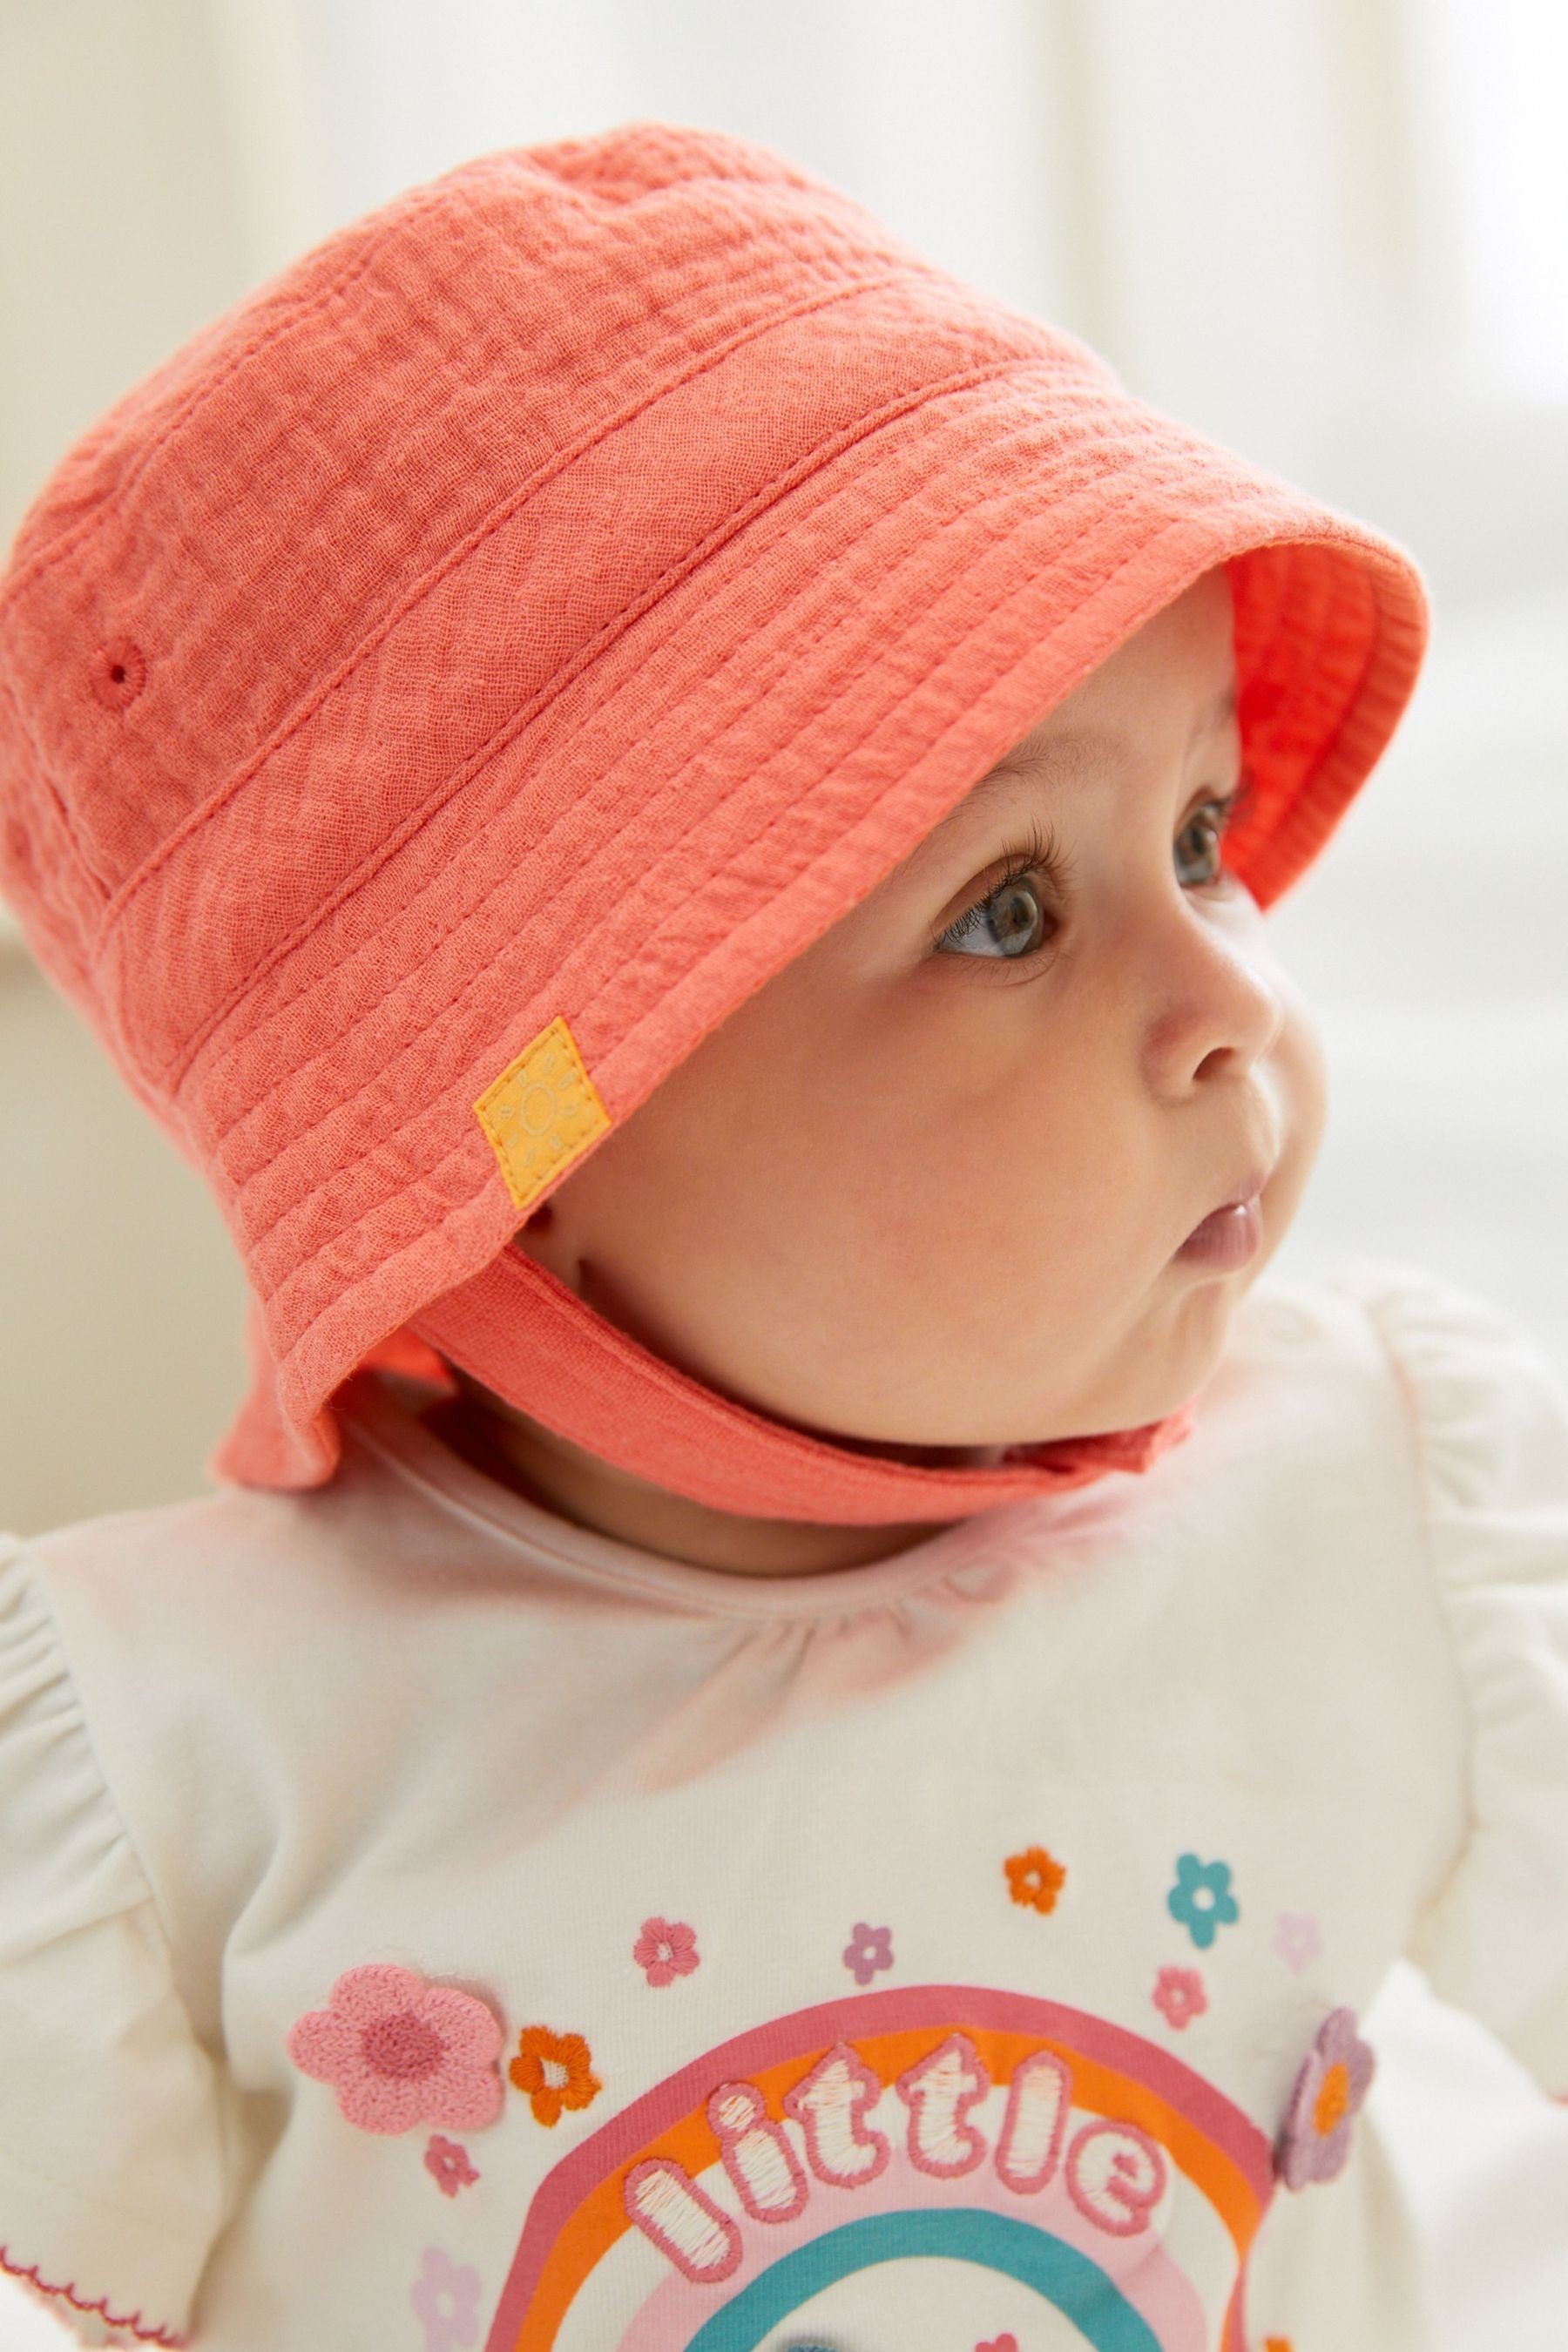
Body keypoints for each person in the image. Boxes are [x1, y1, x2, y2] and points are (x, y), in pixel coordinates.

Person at [0, 121, 1564, 2352]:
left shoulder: (1384, 1516)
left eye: (1200, 832)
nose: (1238, 1005)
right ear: (532, 1156)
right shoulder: (187, 1756)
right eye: (1007, 912)